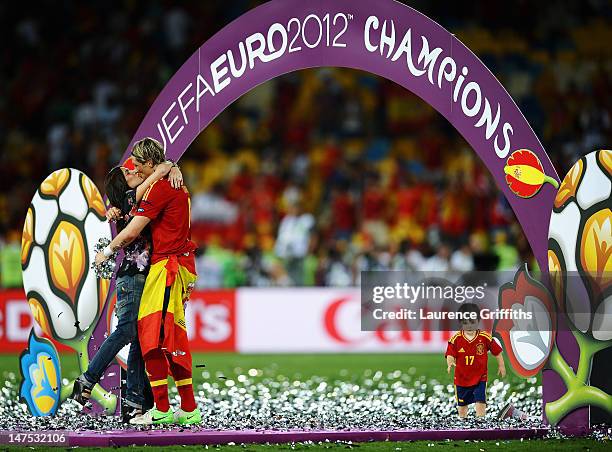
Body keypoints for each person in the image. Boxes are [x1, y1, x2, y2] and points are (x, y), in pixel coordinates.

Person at [95, 137, 200, 426]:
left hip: (168, 266)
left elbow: (131, 233)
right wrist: (169, 166)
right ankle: (178, 408)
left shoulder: (161, 188)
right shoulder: (164, 182)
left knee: (158, 337)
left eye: (138, 166)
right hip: (168, 265)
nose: (136, 171)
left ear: (150, 164)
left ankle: (171, 409)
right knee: (158, 336)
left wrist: (105, 252)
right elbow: (129, 201)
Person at [72, 159, 182, 422]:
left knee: (140, 336)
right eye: (127, 172)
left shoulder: (126, 202)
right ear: (123, 184)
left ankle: (134, 402)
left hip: (144, 277)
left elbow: (157, 176)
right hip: (133, 277)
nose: (133, 170)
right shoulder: (131, 197)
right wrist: (167, 167)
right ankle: (87, 379)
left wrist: (173, 167)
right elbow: (156, 174)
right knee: (128, 330)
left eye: (133, 169)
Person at [445, 303, 506, 418]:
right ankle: (463, 420)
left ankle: (480, 420)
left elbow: (497, 351)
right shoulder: (456, 338)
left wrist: (501, 366)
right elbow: (450, 353)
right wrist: (450, 362)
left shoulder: (485, 337)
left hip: (480, 377)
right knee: (462, 406)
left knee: (480, 401)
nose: (469, 326)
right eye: (465, 323)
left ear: (478, 321)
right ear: (460, 323)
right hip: (461, 379)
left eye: (472, 322)